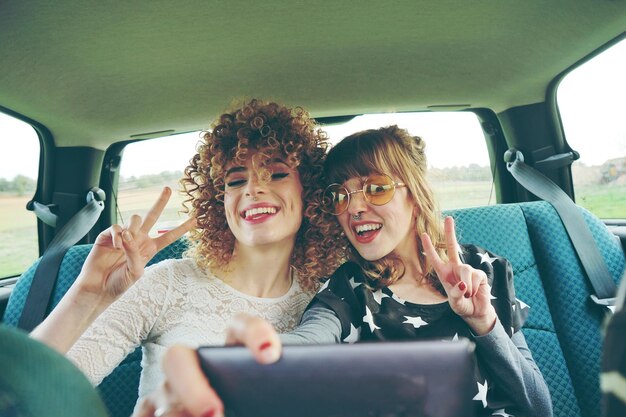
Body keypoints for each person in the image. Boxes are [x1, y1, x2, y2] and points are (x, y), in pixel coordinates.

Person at [138, 125, 553, 417]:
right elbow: (309, 338)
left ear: (414, 194)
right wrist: (235, 368)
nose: (354, 207)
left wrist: (484, 322)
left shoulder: (483, 269)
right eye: (340, 195)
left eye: (376, 188)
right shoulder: (350, 287)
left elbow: (539, 408)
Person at [30, 99, 344, 412]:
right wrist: (87, 294)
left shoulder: (326, 304)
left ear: (310, 192)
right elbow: (29, 394)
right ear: (220, 201)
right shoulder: (168, 282)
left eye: (276, 174)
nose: (253, 189)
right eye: (236, 180)